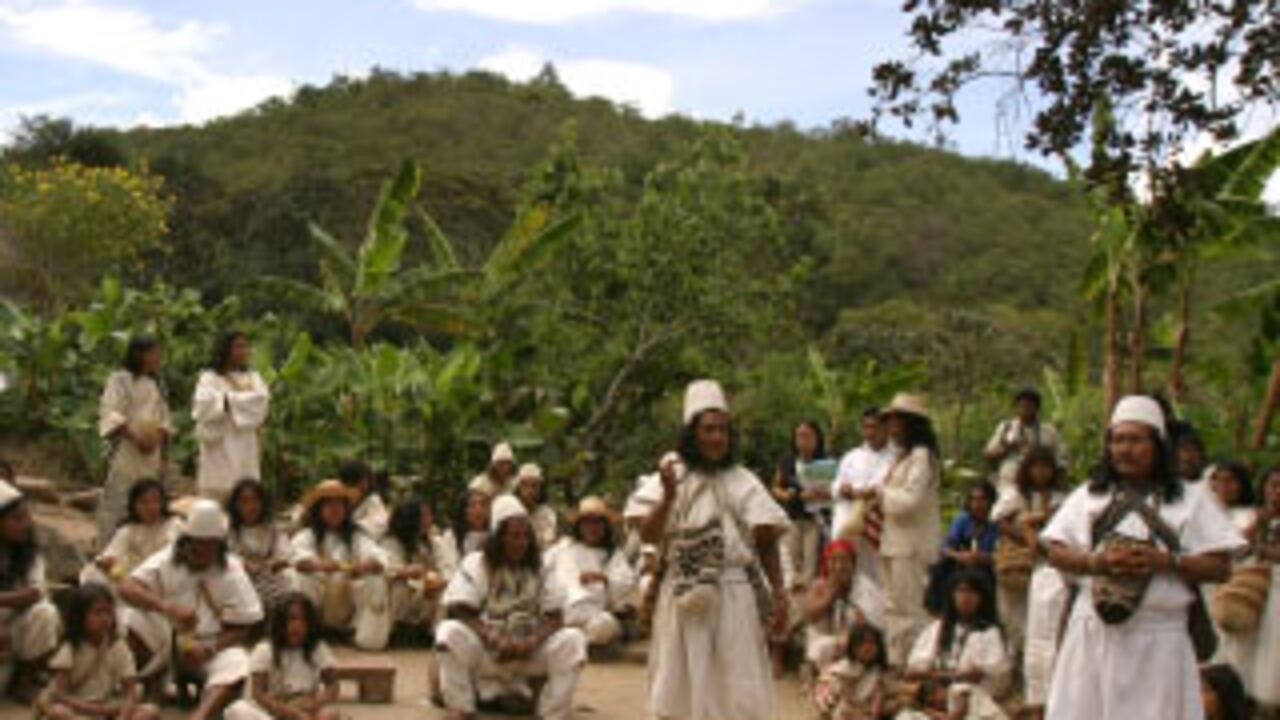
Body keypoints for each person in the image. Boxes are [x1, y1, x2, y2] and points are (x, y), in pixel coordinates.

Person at [1042, 395, 1246, 720]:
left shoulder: (1191, 500)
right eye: (1118, 440)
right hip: (1094, 635)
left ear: (1158, 446)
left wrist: (1166, 562)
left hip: (1160, 641)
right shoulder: (1089, 495)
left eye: (1136, 440)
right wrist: (1097, 563)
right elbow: (1054, 551)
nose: (1125, 449)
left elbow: (1220, 567)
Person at [631, 379, 790, 720]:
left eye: (723, 429)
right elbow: (648, 535)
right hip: (682, 593)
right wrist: (668, 498)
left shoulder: (743, 480)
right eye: (709, 429)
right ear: (692, 433)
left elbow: (766, 540)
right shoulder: (670, 477)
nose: (717, 437)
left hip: (734, 595)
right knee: (680, 688)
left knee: (736, 689)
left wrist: (778, 592)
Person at [435, 495, 588, 720]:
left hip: (529, 653)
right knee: (448, 632)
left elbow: (555, 616)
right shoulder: (476, 563)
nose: (521, 542)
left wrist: (532, 641)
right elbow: (460, 609)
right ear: (499, 538)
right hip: (487, 653)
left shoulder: (541, 568)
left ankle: (553, 713)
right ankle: (461, 707)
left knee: (573, 640)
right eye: (514, 536)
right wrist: (493, 636)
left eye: (526, 536)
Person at [119, 499, 263, 719]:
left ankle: (200, 715)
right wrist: (167, 607)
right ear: (186, 541)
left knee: (238, 663)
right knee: (131, 618)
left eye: (208, 545)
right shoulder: (168, 558)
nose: (201, 550)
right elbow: (127, 587)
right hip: (167, 639)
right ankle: (151, 688)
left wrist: (210, 648)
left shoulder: (232, 570)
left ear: (218, 545)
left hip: (208, 645)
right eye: (197, 544)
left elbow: (247, 624)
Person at [991, 448, 1067, 719]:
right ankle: (1014, 679)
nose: (1040, 473)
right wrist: (1027, 531)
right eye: (1035, 467)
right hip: (1017, 565)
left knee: (1041, 630)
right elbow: (998, 520)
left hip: (1048, 567)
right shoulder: (1014, 495)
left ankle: (1041, 694)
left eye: (1045, 467)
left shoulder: (1060, 498)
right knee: (1013, 622)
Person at [876, 393, 942, 665]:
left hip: (911, 545)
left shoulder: (921, 458)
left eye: (896, 421)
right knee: (894, 606)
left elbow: (910, 501)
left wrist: (880, 494)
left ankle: (918, 664)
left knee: (912, 607)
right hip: (894, 542)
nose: (891, 427)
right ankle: (898, 661)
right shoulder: (902, 457)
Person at [290, 479, 392, 650]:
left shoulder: (357, 536)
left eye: (339, 505)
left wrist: (366, 566)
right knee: (301, 578)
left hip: (349, 602)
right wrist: (322, 566)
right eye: (329, 505)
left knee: (375, 579)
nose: (335, 510)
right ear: (319, 510)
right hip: (320, 602)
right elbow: (297, 559)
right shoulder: (307, 535)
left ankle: (365, 637)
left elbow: (379, 557)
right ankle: (308, 632)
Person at [37, 583, 159, 720]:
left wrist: (123, 716)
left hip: (106, 705)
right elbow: (61, 695)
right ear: (80, 616)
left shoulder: (117, 646)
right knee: (58, 712)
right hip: (77, 708)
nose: (104, 618)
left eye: (108, 612)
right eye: (97, 612)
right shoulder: (71, 648)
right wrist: (93, 709)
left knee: (150, 711)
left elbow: (130, 692)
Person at [905, 569, 1011, 720]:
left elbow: (994, 672)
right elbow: (912, 671)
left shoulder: (990, 632)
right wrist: (950, 676)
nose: (966, 597)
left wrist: (957, 681)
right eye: (961, 591)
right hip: (934, 697)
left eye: (973, 592)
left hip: (974, 701)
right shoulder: (937, 628)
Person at [97, 336, 173, 544]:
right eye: (153, 354)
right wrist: (136, 437)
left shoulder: (157, 384)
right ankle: (109, 547)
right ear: (139, 355)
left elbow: (165, 419)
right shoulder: (120, 380)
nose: (157, 358)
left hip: (151, 455)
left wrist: (157, 440)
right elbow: (111, 412)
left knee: (149, 500)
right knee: (119, 500)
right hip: (127, 449)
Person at [225, 593, 340, 720]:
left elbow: (332, 686)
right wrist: (289, 712)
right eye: (292, 619)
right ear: (280, 622)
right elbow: (258, 694)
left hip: (304, 707)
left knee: (331, 714)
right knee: (237, 710)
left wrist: (314, 704)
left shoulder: (317, 649)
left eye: (304, 620)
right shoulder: (265, 650)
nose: (298, 626)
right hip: (270, 711)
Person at [546, 496, 637, 653]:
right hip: (561, 614)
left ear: (605, 526)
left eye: (597, 523)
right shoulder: (564, 546)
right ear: (579, 526)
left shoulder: (613, 555)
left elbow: (626, 583)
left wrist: (605, 579)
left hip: (593, 616)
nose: (592, 528)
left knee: (606, 625)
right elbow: (542, 567)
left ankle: (579, 643)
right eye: (587, 523)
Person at [832, 408, 896, 627]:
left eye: (875, 427)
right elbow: (836, 485)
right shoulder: (852, 457)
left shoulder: (896, 458)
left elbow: (888, 488)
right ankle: (846, 622)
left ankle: (876, 625)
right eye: (866, 427)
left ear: (886, 428)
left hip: (877, 526)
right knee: (846, 573)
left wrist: (869, 492)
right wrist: (844, 489)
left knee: (877, 575)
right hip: (848, 524)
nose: (870, 432)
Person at [0, 480, 61, 702]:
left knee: (46, 614)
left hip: (13, 627)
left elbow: (36, 592)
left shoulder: (30, 553)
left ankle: (24, 679)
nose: (25, 524)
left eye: (26, 517)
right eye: (16, 519)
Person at [192, 332, 269, 503]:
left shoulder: (254, 378)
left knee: (245, 494)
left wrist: (227, 401)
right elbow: (202, 406)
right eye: (238, 346)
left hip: (246, 444)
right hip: (219, 445)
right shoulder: (209, 378)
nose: (243, 351)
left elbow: (261, 402)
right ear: (225, 349)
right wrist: (237, 402)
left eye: (245, 346)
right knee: (216, 498)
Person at [81, 479, 182, 592]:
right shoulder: (128, 530)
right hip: (133, 578)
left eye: (155, 501)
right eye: (143, 502)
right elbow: (110, 556)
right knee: (92, 573)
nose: (150, 507)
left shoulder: (174, 524)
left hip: (166, 578)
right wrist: (114, 568)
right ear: (134, 505)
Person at [384, 498, 458, 643]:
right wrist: (406, 572)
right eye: (424, 515)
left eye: (429, 515)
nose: (429, 520)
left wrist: (437, 581)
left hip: (425, 594)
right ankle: (396, 631)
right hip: (402, 596)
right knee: (400, 586)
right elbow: (388, 569)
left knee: (442, 592)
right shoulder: (391, 542)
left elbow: (448, 569)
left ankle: (431, 635)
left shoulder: (435, 542)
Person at [803, 539, 881, 670]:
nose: (838, 566)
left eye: (844, 560)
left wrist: (845, 640)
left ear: (853, 564)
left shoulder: (865, 588)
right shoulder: (821, 585)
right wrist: (830, 595)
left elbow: (867, 627)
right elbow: (809, 616)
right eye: (833, 561)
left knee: (825, 648)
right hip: (836, 640)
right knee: (816, 630)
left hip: (861, 644)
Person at [773, 420, 829, 591]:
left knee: (810, 568)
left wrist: (819, 495)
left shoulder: (824, 463)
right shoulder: (787, 461)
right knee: (790, 566)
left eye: (808, 435)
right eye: (800, 435)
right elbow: (776, 488)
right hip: (792, 519)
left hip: (815, 521)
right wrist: (786, 495)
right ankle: (793, 603)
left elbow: (833, 493)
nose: (803, 440)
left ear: (817, 438)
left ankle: (809, 602)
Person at [225, 479, 296, 615]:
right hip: (241, 582)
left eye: (255, 500)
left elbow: (286, 555)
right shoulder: (228, 532)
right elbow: (224, 557)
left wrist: (272, 564)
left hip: (272, 582)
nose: (251, 506)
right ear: (235, 505)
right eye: (244, 501)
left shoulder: (274, 530)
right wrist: (242, 564)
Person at [927, 482, 999, 616]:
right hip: (961, 564)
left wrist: (983, 558)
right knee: (940, 569)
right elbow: (945, 547)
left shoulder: (996, 523)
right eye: (974, 500)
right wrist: (960, 556)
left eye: (982, 500)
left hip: (987, 568)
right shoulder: (963, 520)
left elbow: (1001, 554)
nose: (977, 504)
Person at [1242, 466, 1280, 711]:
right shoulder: (1250, 517)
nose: (1278, 492)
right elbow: (1237, 549)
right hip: (1250, 592)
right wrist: (1258, 524)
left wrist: (1263, 549)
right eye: (1273, 485)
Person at [983, 389, 1064, 496]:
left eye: (1029, 406)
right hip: (1008, 483)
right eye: (1021, 406)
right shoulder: (1007, 427)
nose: (1025, 410)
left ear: (1037, 408)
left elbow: (1060, 461)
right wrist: (1008, 448)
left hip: (1039, 487)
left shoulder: (1049, 431)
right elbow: (989, 454)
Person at [810, 623, 890, 720]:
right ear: (853, 648)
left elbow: (879, 707)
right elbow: (822, 703)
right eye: (862, 643)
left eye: (872, 642)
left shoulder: (879, 673)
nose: (867, 647)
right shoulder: (839, 672)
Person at [340, 460, 389, 541]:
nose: (363, 484)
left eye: (365, 479)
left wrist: (353, 527)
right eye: (359, 480)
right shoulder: (341, 501)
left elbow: (380, 524)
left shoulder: (372, 501)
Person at [514, 464, 558, 550]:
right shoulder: (511, 512)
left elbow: (549, 543)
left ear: (540, 489)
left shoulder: (547, 514)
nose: (530, 491)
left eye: (534, 486)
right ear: (518, 488)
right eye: (525, 485)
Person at [447, 489, 492, 558]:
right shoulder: (452, 535)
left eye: (483, 504)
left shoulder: (494, 534)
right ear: (464, 510)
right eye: (472, 505)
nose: (479, 510)